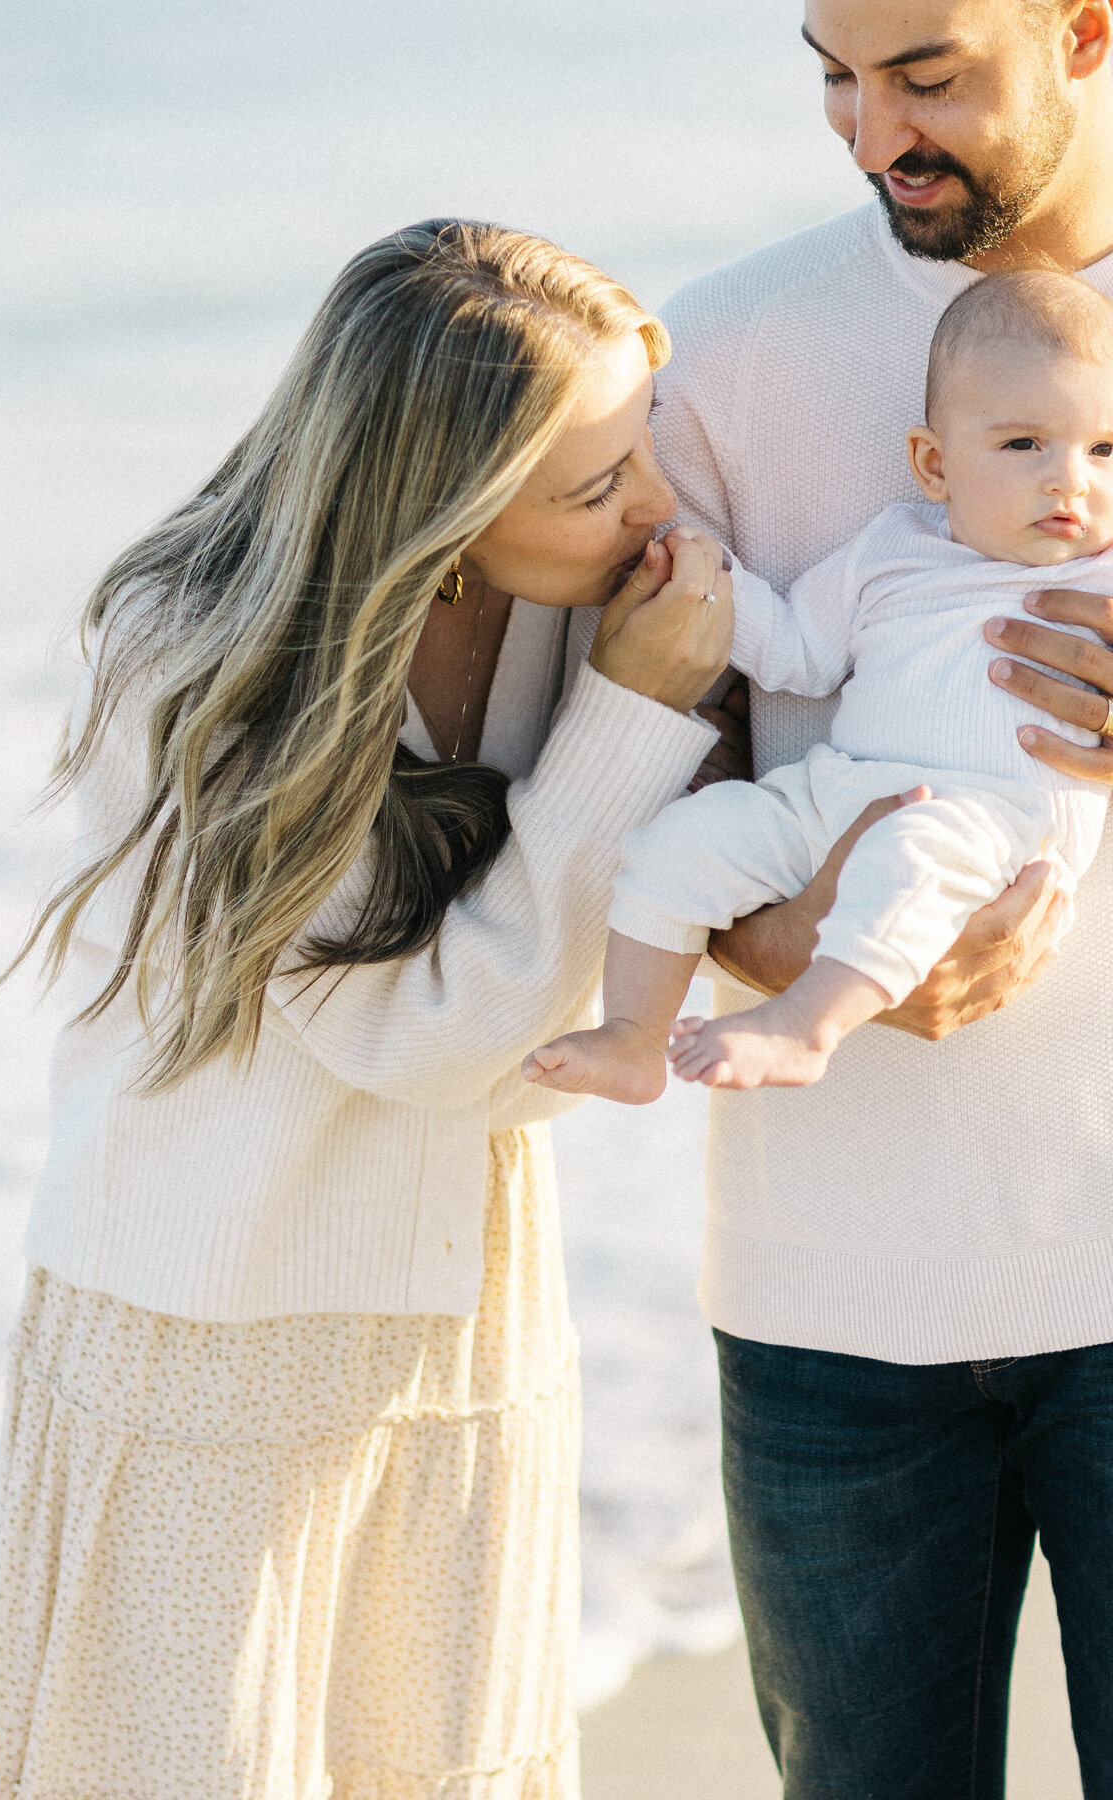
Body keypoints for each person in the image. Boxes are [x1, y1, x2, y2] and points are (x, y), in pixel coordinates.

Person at [0, 220, 732, 1800]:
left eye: (641, 449)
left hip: (460, 1301)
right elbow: (436, 1037)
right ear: (438, 521)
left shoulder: (587, 593)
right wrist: (634, 716)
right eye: (595, 488)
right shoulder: (189, 666)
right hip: (208, 1314)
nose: (656, 508)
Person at [650, 1, 1113, 1793]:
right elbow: (631, 749)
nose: (868, 134)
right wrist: (789, 947)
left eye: (924, 74)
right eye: (834, 75)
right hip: (832, 1300)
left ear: (1081, 30)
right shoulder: (724, 350)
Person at [525, 271, 1113, 1098]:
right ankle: (631, 1037)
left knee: (911, 855)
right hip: (835, 792)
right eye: (1023, 445)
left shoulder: (1104, 576)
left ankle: (809, 1025)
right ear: (934, 464)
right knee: (687, 840)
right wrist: (704, 572)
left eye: (1104, 450)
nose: (1070, 481)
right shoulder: (893, 549)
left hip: (995, 825)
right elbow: (798, 647)